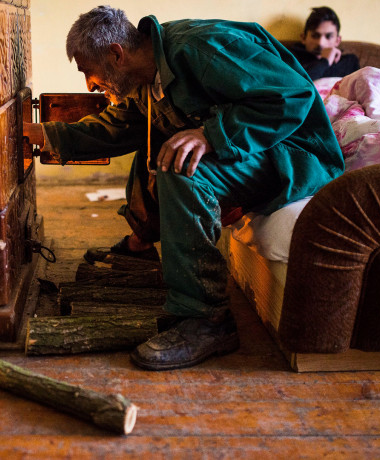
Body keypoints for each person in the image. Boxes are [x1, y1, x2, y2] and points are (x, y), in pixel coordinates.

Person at [24, 6, 344, 370]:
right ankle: (141, 244)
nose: (90, 86)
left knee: (182, 165)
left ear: (116, 54)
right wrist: (46, 135)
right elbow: (117, 127)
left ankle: (208, 320)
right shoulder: (147, 77)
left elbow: (293, 96)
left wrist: (210, 135)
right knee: (157, 142)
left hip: (290, 153)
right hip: (253, 152)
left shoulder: (203, 47)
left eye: (89, 73)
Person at [289, 6, 360, 80]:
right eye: (315, 36)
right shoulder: (291, 58)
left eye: (329, 36)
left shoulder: (349, 62)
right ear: (303, 38)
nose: (321, 43)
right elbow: (296, 84)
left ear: (337, 41)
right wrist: (325, 61)